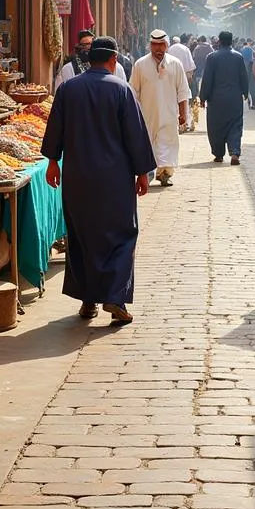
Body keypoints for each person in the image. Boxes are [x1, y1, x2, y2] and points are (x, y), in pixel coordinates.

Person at [41, 36, 155, 325]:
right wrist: (142, 172)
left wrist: (53, 162)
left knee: (82, 235)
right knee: (121, 235)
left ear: (89, 58)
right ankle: (114, 298)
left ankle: (87, 300)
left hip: (78, 177)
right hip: (114, 179)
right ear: (113, 60)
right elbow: (135, 135)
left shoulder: (69, 89)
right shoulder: (122, 89)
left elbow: (55, 128)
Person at [130, 29, 190, 187]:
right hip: (146, 114)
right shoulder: (140, 64)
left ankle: (164, 174)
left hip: (169, 114)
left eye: (161, 45)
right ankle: (147, 171)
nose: (158, 49)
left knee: (167, 143)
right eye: (155, 45)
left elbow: (182, 90)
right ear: (150, 46)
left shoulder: (175, 64)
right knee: (147, 143)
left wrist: (183, 113)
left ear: (167, 45)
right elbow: (133, 92)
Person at [199, 30, 248, 165]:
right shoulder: (238, 57)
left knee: (216, 127)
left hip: (216, 100)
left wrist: (203, 97)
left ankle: (219, 154)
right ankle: (234, 152)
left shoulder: (212, 57)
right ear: (231, 41)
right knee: (235, 125)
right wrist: (245, 92)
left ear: (218, 41)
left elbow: (207, 79)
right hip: (234, 98)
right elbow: (243, 76)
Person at [55, 30, 127, 92]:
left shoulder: (117, 68)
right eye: (84, 45)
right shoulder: (69, 69)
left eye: (90, 45)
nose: (87, 48)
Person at [167, 34, 197, 131]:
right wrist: (190, 77)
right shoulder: (185, 49)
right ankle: (185, 123)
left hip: (171, 77)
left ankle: (176, 122)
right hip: (184, 77)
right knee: (184, 99)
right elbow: (191, 66)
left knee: (173, 99)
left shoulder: (169, 49)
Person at [191, 35, 213, 128]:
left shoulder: (197, 48)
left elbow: (194, 57)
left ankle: (199, 95)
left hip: (198, 69)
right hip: (207, 70)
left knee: (197, 83)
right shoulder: (210, 47)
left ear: (200, 40)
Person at [240, 38, 255, 109]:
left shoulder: (241, 51)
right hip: (252, 71)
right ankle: (253, 103)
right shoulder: (253, 51)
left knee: (246, 88)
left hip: (244, 71)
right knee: (253, 88)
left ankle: (248, 101)